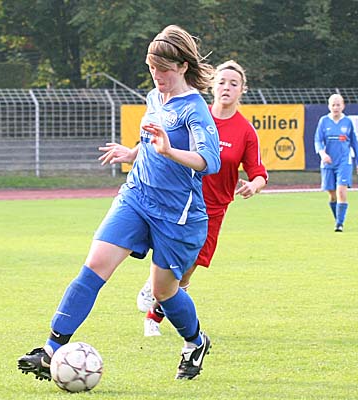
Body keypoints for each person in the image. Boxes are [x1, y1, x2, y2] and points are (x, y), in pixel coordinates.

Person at [17, 24, 220, 381]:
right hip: (137, 197)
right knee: (94, 265)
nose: (157, 76)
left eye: (164, 69)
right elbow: (152, 140)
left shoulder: (195, 109)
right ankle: (50, 350)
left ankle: (195, 341)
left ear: (183, 66)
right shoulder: (154, 97)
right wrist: (134, 152)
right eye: (152, 68)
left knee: (163, 292)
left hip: (178, 215)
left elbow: (210, 161)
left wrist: (169, 151)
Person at [134, 60, 269, 336]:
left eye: (233, 83)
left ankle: (155, 309)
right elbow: (161, 141)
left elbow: (259, 172)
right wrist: (132, 153)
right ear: (212, 86)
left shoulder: (245, 131)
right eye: (222, 82)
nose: (226, 87)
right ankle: (153, 312)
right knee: (167, 256)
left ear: (242, 90)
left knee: (187, 270)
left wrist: (254, 186)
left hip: (213, 211)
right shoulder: (195, 112)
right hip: (180, 198)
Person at [314, 93, 358, 232]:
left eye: (338, 105)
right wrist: (323, 154)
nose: (335, 107)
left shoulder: (347, 122)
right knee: (332, 194)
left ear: (343, 106)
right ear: (329, 106)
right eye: (333, 105)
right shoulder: (324, 121)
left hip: (344, 162)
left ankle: (339, 224)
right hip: (328, 163)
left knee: (341, 191)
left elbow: (354, 143)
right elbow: (318, 140)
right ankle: (338, 218)